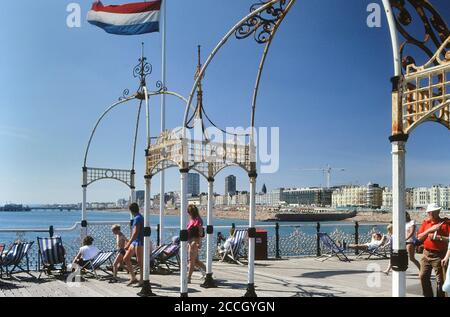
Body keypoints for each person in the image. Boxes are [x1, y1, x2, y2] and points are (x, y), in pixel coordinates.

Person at [416, 203, 450, 297]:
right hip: (426, 254)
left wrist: (439, 237)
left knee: (440, 280)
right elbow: (419, 237)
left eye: (436, 211)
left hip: (439, 255)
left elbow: (449, 239)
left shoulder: (446, 223)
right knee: (423, 276)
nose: (433, 213)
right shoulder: (426, 223)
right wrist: (430, 230)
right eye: (431, 212)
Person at [123, 203, 144, 286]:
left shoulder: (138, 218)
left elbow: (135, 232)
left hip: (138, 242)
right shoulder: (138, 217)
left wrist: (128, 243)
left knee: (139, 262)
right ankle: (133, 277)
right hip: (135, 242)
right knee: (126, 258)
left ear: (131, 210)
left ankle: (142, 280)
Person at [187, 205, 206, 283]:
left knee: (192, 261)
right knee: (196, 261)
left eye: (189, 212)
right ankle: (208, 273)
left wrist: (199, 242)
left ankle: (188, 278)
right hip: (191, 242)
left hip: (193, 242)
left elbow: (200, 232)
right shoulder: (194, 219)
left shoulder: (197, 220)